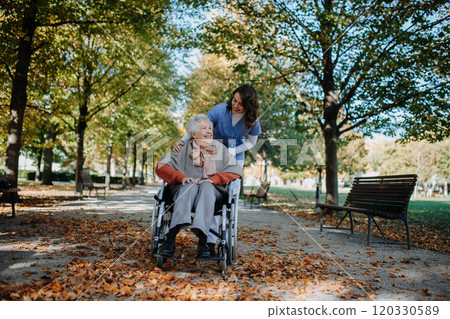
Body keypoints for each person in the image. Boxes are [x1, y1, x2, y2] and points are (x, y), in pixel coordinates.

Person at [173, 84, 262, 254]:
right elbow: (198, 126)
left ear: (249, 106)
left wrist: (232, 151)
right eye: (234, 100)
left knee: (230, 200)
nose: (235, 105)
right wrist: (183, 141)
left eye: (241, 104)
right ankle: (208, 242)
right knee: (212, 193)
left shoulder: (253, 119)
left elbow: (251, 142)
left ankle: (222, 238)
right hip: (210, 154)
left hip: (234, 158)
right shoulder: (220, 110)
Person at [155, 114, 242, 259]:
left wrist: (214, 179)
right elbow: (160, 166)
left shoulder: (219, 148)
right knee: (190, 186)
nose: (209, 131)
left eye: (210, 128)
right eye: (204, 128)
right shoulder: (182, 148)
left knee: (206, 187)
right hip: (184, 190)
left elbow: (236, 171)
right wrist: (180, 177)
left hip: (212, 193)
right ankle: (170, 240)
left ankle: (203, 243)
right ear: (193, 134)